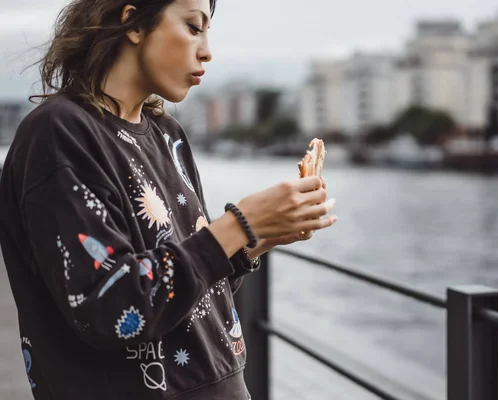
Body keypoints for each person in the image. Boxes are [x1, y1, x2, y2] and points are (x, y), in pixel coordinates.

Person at [0, 0, 338, 399]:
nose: (208, 50)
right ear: (133, 23)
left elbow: (186, 289)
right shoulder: (59, 133)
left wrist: (254, 240)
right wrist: (238, 223)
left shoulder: (167, 133)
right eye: (194, 27)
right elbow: (113, 311)